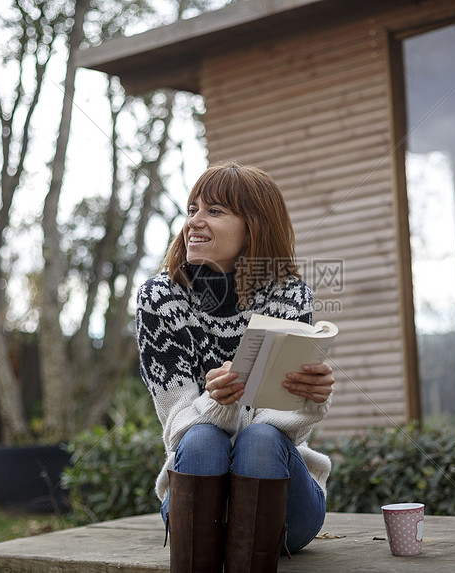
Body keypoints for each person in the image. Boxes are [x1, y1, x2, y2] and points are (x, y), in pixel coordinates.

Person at [135, 162, 335, 573]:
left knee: (261, 439)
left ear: (253, 227)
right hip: (198, 512)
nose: (194, 221)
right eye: (192, 209)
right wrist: (218, 404)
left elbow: (277, 426)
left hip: (282, 512)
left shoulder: (288, 296)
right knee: (204, 437)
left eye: (215, 211)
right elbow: (178, 427)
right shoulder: (160, 298)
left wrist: (310, 399)